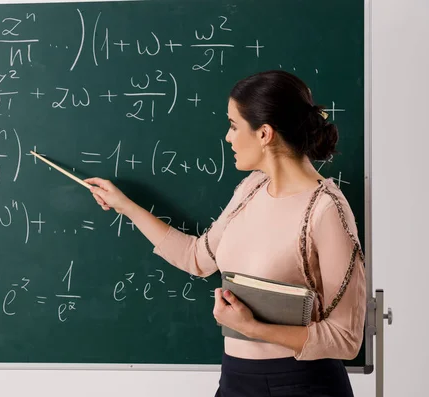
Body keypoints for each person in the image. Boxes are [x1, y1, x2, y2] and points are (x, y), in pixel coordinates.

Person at [85, 70, 366, 397]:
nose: (228, 137)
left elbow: (346, 339)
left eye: (234, 125)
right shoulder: (251, 188)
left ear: (264, 134)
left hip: (302, 383)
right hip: (236, 379)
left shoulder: (326, 209)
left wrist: (252, 328)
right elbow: (197, 258)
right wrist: (125, 205)